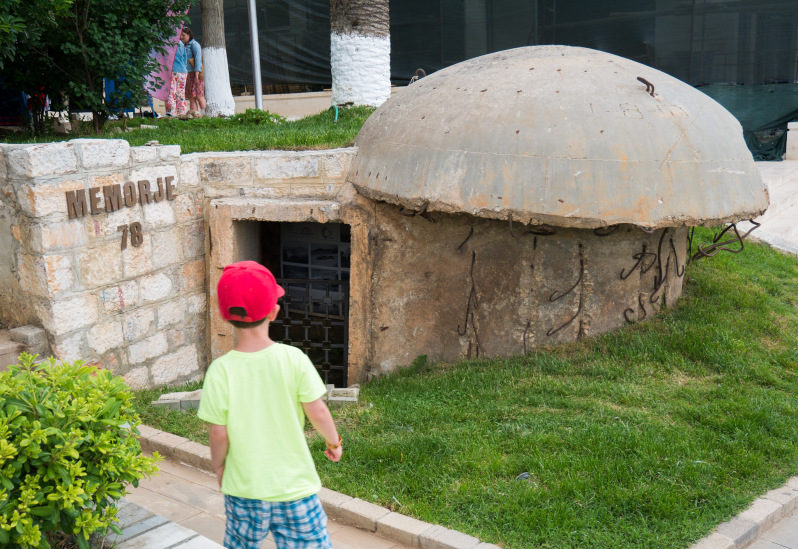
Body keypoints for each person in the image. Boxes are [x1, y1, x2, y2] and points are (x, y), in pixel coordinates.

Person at [197, 261, 343, 549]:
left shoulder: (220, 370)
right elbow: (318, 411)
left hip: (244, 489)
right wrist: (334, 442)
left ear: (224, 315)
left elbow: (218, 433)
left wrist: (219, 467)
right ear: (274, 311)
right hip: (295, 488)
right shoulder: (293, 359)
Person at [182, 27, 206, 118]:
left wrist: (196, 74)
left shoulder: (194, 45)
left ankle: (204, 115)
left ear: (189, 35)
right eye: (181, 35)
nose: (181, 37)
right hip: (188, 74)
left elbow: (198, 60)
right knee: (191, 97)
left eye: (183, 35)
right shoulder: (183, 46)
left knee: (199, 95)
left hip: (196, 74)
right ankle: (194, 116)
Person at [166, 29, 189, 117]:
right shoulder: (181, 43)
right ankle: (182, 112)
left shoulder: (168, 43)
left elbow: (166, 58)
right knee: (181, 92)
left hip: (173, 70)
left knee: (172, 92)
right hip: (183, 71)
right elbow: (185, 58)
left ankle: (172, 112)